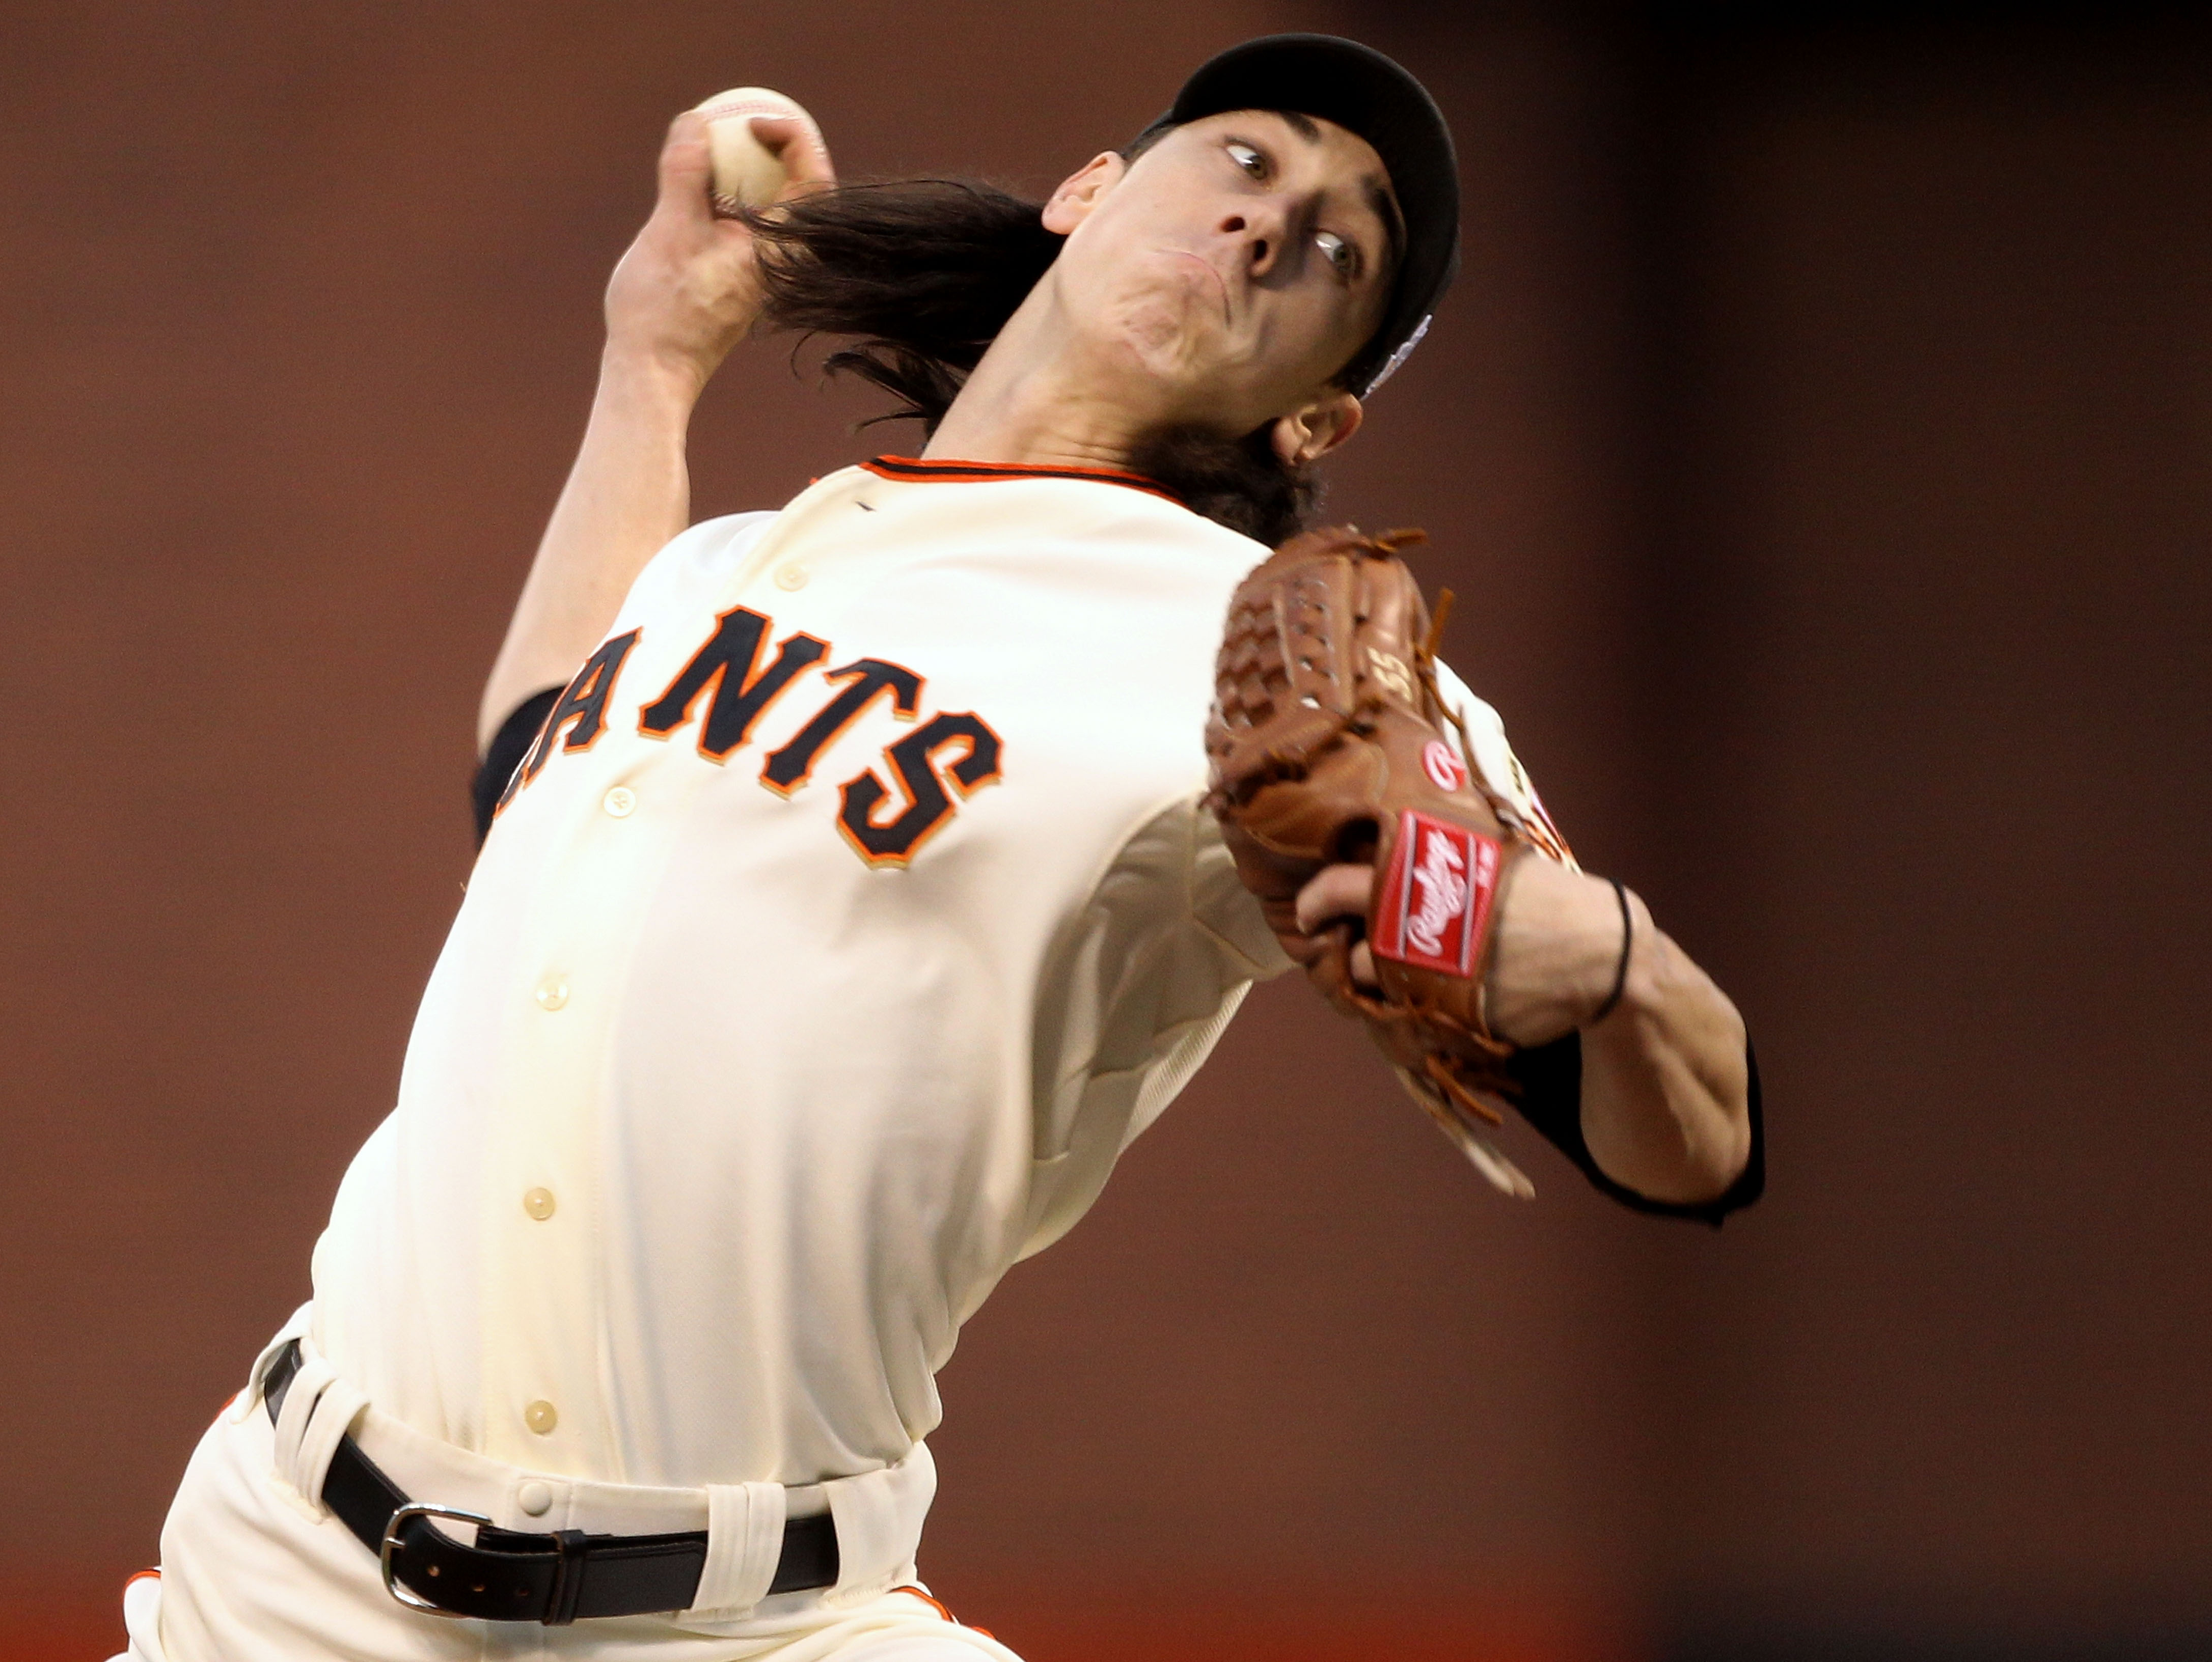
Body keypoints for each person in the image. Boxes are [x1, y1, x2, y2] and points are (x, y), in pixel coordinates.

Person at [112, 33, 1757, 1662]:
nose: (1272, 220)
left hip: (740, 1626)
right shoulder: (741, 561)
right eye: (1249, 158)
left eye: (1338, 248)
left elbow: (1692, 1144)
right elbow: (529, 768)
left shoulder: (1262, 662)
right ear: (1090, 191)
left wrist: (1618, 963)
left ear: (1319, 420)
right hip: (275, 1565)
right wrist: (654, 362)